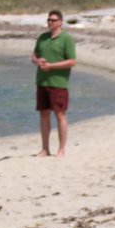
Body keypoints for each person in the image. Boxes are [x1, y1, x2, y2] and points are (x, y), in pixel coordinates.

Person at [31, 9, 77, 157]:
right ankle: (45, 149)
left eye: (53, 20)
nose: (50, 22)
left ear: (60, 22)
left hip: (58, 83)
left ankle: (61, 149)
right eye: (48, 20)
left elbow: (72, 61)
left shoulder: (66, 39)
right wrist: (38, 61)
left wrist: (51, 66)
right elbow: (33, 56)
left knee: (60, 114)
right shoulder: (43, 38)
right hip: (42, 81)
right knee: (43, 114)